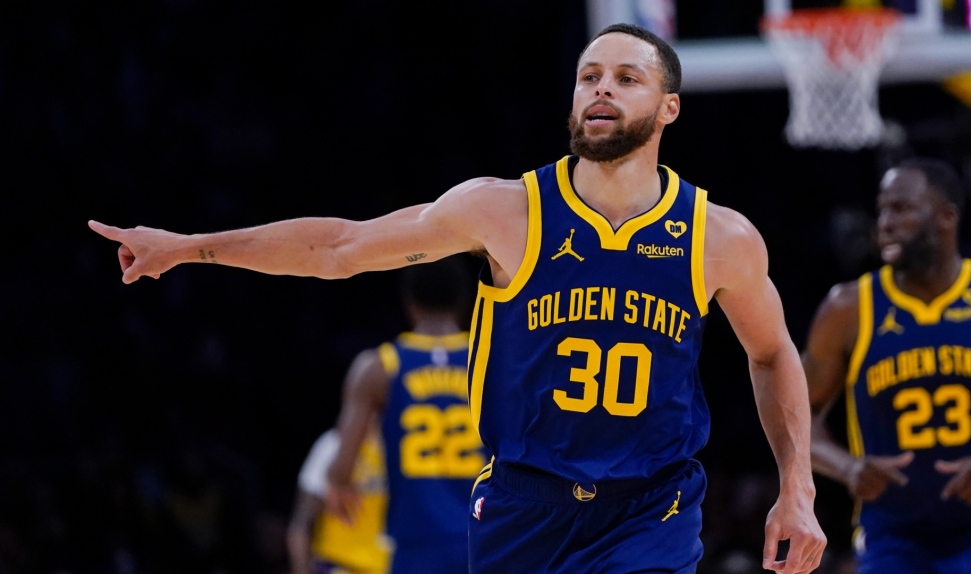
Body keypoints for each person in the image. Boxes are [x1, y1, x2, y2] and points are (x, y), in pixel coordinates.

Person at [88, 22, 825, 573]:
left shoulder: (719, 237)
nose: (601, 88)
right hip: (522, 506)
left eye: (626, 78)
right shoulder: (502, 211)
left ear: (668, 109)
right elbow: (340, 248)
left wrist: (797, 490)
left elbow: (771, 354)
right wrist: (190, 245)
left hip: (651, 507)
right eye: (588, 75)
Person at [801, 157, 971, 573]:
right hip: (895, 538)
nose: (885, 223)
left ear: (946, 218)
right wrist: (848, 467)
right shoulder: (848, 309)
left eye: (901, 209)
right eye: (882, 210)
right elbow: (793, 417)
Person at [326, 258, 484, 573]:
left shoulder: (379, 367)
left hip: (416, 541)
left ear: (409, 301)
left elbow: (341, 470)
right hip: (483, 536)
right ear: (465, 301)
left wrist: (339, 484)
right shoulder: (490, 358)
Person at [287, 427, 391, 574]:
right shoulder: (333, 443)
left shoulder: (403, 444)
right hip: (340, 563)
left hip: (395, 563)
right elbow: (302, 523)